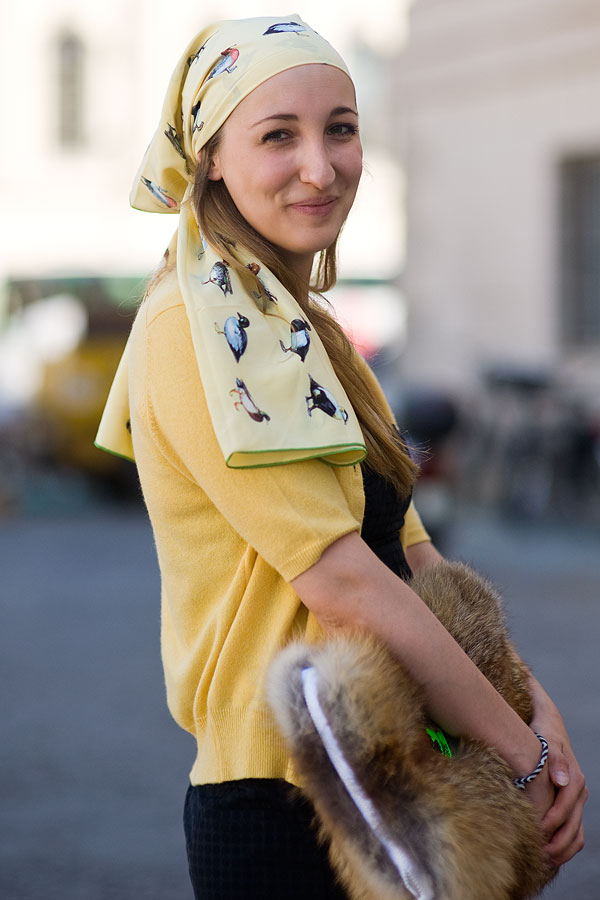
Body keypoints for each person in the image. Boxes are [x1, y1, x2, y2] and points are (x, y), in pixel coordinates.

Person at [96, 14, 587, 899]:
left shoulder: (317, 337)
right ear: (210, 156)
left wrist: (532, 704)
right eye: (278, 135)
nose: (321, 167)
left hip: (396, 771)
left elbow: (414, 557)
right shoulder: (193, 330)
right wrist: (525, 758)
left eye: (342, 129)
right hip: (287, 802)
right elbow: (345, 583)